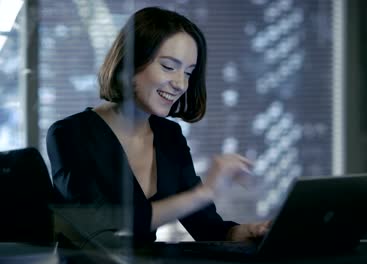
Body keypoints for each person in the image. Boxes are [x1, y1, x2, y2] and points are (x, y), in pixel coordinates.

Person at [46, 6, 269, 245]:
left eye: (189, 73)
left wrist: (249, 231)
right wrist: (203, 193)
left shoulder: (169, 136)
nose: (181, 84)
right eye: (169, 67)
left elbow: (208, 229)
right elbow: (103, 228)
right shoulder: (70, 134)